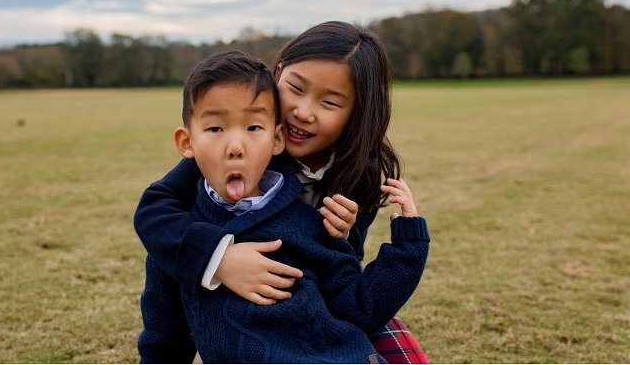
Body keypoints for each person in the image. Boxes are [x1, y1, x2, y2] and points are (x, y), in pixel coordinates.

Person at [135, 21, 430, 363]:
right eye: (295, 87)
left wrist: (344, 234)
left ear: (356, 113)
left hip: (319, 316)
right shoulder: (237, 150)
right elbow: (155, 209)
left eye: (330, 103)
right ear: (277, 75)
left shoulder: (359, 173)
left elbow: (341, 279)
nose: (303, 112)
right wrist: (220, 259)